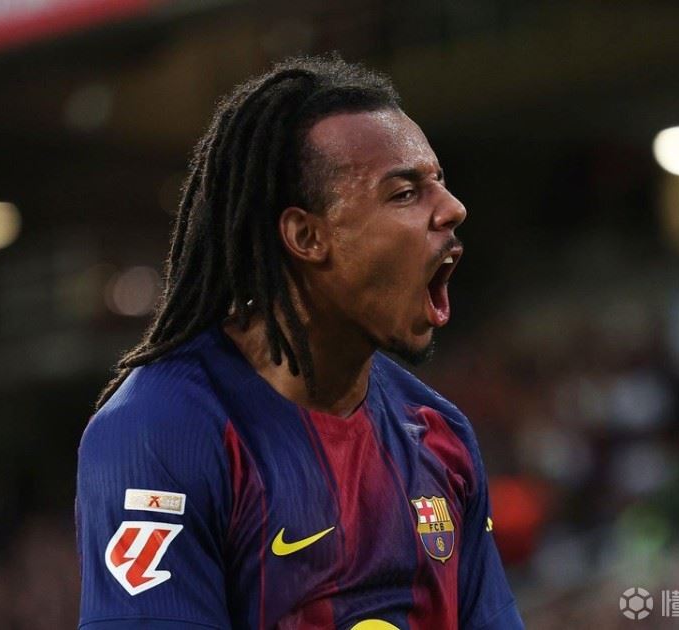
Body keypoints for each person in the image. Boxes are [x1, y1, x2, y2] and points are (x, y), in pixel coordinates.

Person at [76, 55, 523, 630]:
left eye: (438, 181)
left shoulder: (440, 435)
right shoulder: (161, 431)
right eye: (405, 193)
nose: (453, 208)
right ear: (307, 236)